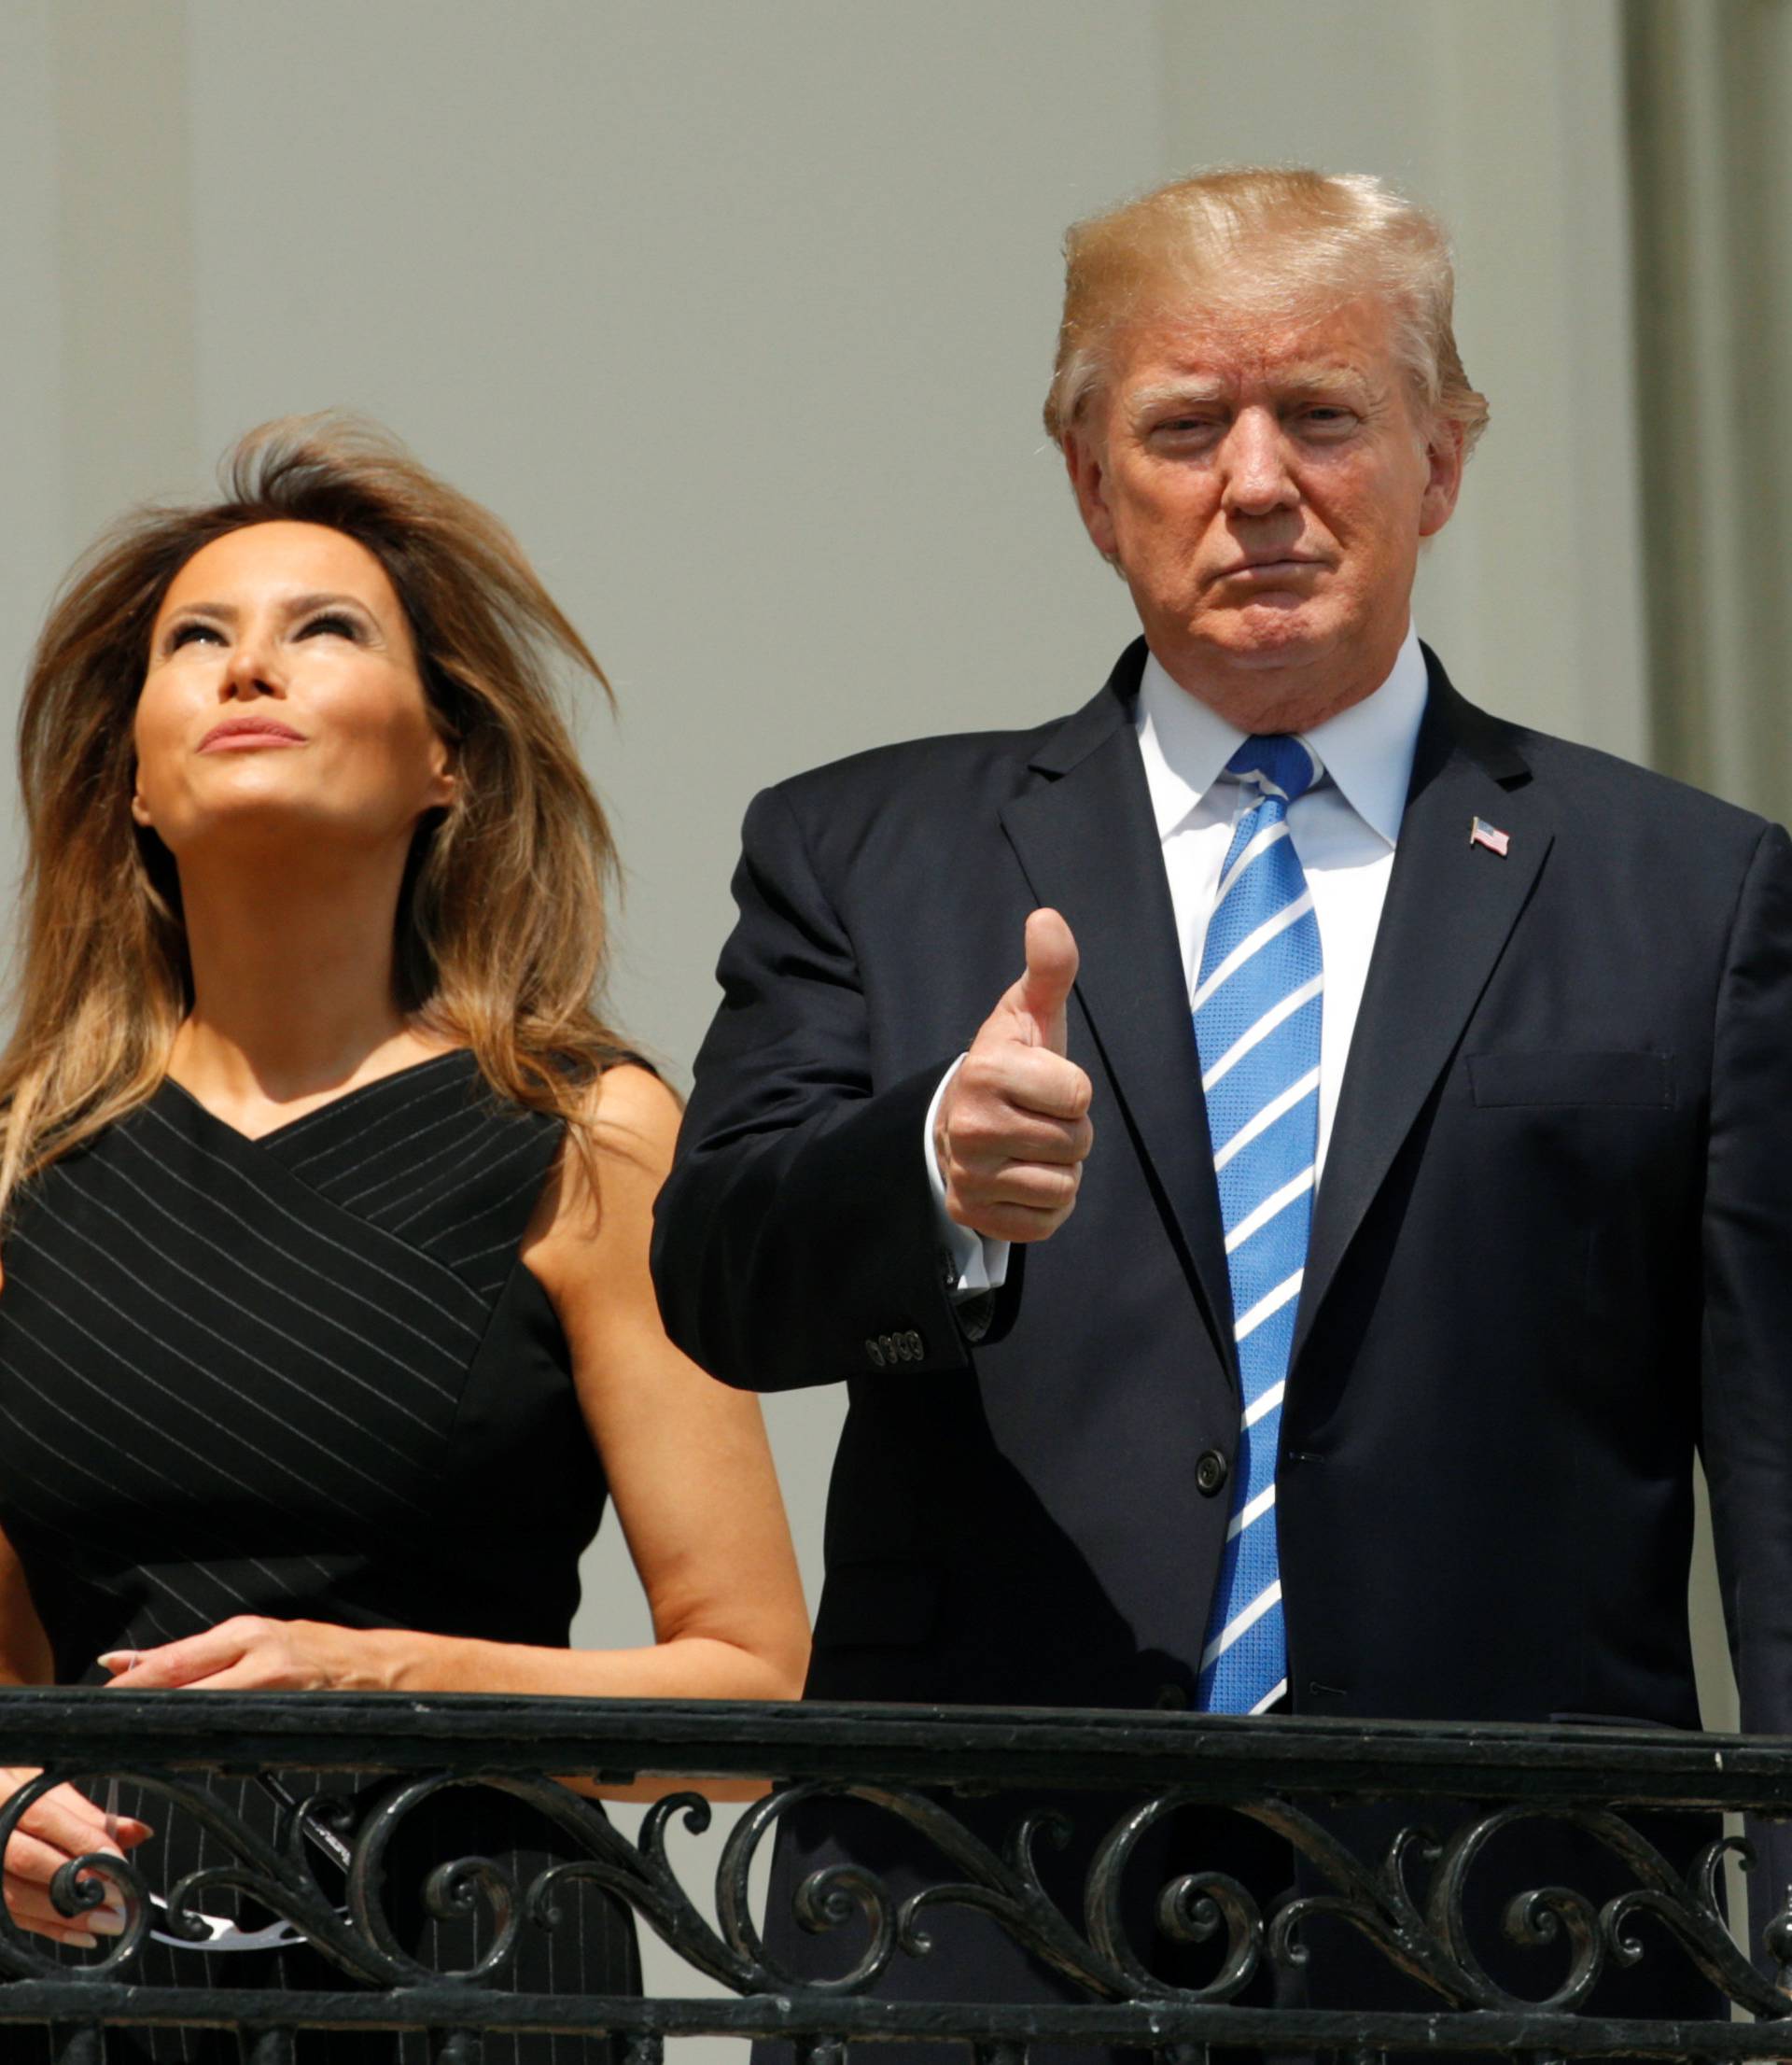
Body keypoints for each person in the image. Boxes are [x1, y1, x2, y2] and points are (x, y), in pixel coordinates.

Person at [651, 167, 1792, 2042]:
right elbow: (721, 1277)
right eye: (1186, 426)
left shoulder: (1690, 892)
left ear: (1442, 453)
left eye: (1323, 415)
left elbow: (1771, 1453)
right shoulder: (866, 850)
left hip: (1526, 1933)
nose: (1255, 482)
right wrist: (931, 1168)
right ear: (1095, 480)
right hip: (984, 1917)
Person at [0, 414, 809, 2063]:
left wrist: (378, 1679)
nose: (249, 672)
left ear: (447, 758)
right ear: (136, 777)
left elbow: (750, 1695)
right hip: (96, 1986)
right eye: (198, 643)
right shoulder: (18, 1161)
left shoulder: (589, 1135)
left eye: (324, 630)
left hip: (474, 1969)